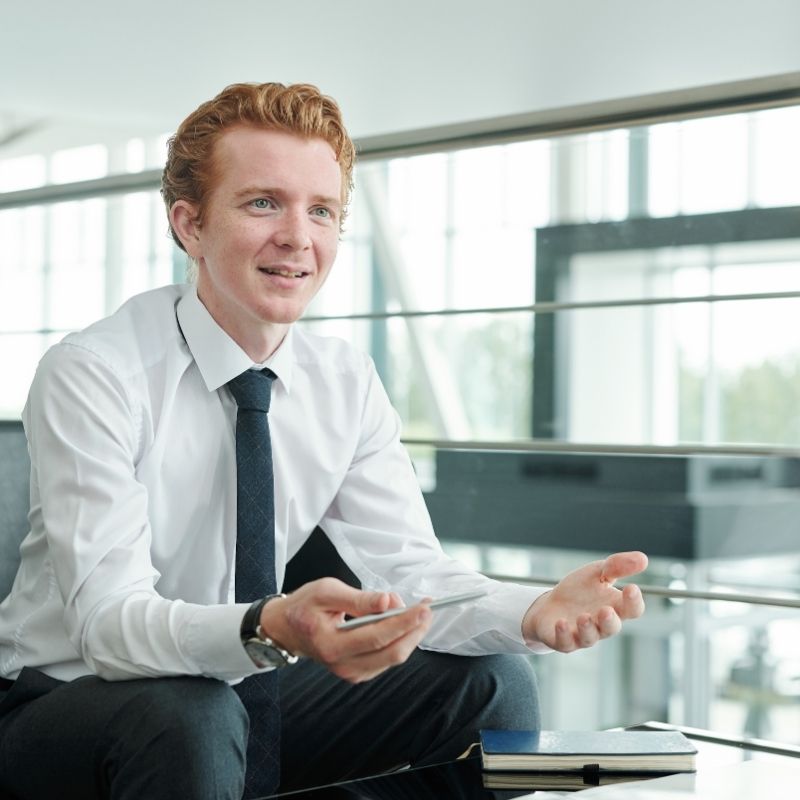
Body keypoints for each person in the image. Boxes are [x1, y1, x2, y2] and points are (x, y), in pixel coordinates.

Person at [0, 82, 648, 800]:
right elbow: (108, 627)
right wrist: (269, 626)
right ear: (190, 225)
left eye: (322, 211)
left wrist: (532, 610)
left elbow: (410, 574)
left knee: (492, 680)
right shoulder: (94, 373)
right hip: (68, 709)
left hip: (244, 692)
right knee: (189, 712)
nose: (298, 237)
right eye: (262, 203)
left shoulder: (344, 382)